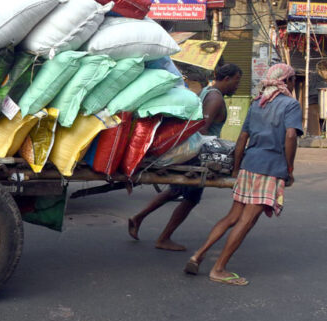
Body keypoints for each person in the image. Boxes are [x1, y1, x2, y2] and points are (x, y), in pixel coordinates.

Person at [184, 63, 302, 285]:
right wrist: (290, 169)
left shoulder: (258, 104)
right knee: (246, 221)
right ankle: (218, 268)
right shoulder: (290, 105)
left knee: (232, 217)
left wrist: (237, 169)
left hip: (249, 165)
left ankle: (197, 255)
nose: (294, 83)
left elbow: (242, 139)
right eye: (293, 79)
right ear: (286, 81)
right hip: (270, 168)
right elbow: (290, 137)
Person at [127, 64, 243, 251]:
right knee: (191, 198)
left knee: (175, 190)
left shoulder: (207, 91)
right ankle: (163, 238)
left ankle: (138, 218)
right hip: (197, 153)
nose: (237, 86)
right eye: (237, 81)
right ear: (227, 78)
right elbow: (202, 128)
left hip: (192, 151)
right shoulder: (215, 99)